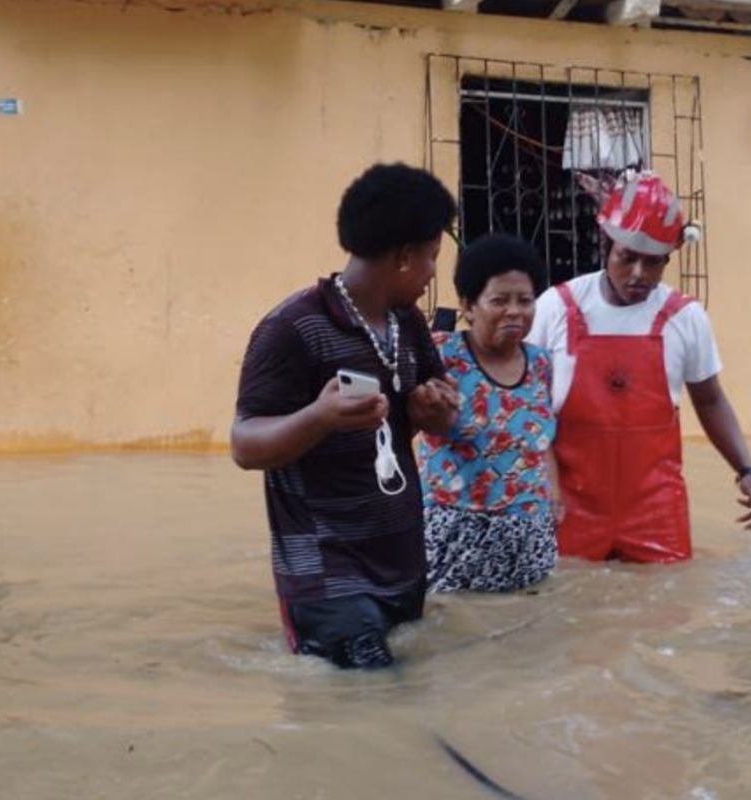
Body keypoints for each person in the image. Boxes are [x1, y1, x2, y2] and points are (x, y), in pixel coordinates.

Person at [231, 163, 460, 669]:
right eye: (431, 260)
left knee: (394, 713)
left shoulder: (409, 324)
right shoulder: (291, 327)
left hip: (403, 568)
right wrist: (320, 416)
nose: (430, 275)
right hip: (326, 579)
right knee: (366, 709)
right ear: (404, 257)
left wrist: (435, 412)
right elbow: (244, 445)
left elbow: (441, 423)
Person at [526, 170, 751, 564]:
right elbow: (527, 411)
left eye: (654, 263)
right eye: (628, 258)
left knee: (664, 616)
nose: (639, 275)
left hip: (656, 508)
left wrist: (748, 469)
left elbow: (710, 402)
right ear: (607, 245)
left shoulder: (685, 318)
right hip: (569, 503)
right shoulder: (555, 308)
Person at [418, 234, 560, 592]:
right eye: (500, 300)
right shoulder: (440, 355)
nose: (515, 311)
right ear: (468, 306)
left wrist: (553, 496)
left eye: (525, 301)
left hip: (530, 538)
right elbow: (402, 432)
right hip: (454, 539)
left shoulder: (541, 362)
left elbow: (539, 442)